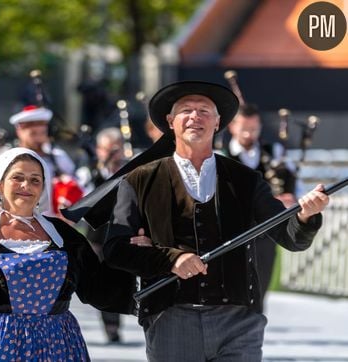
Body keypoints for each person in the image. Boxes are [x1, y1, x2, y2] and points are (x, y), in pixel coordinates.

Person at [103, 81, 329, 361]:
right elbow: (116, 249)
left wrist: (306, 215)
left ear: (218, 122)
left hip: (239, 320)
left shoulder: (246, 179)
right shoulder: (139, 180)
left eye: (204, 110)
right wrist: (169, 259)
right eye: (186, 110)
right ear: (170, 121)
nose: (195, 116)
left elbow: (289, 235)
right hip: (170, 317)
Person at [0, 147, 136, 361]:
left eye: (35, 180)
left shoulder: (63, 235)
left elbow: (98, 287)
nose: (26, 186)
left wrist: (134, 254)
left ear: (42, 189)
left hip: (57, 344)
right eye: (17, 178)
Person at [222, 103, 297, 301]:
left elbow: (291, 186)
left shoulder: (275, 152)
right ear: (232, 127)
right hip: (231, 234)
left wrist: (290, 200)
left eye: (254, 129)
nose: (249, 134)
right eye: (244, 128)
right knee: (231, 292)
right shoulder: (220, 156)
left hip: (267, 233)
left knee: (259, 291)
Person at [76, 127, 127, 343]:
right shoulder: (89, 173)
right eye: (108, 150)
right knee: (103, 280)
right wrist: (101, 169)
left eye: (116, 149)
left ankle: (119, 320)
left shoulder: (131, 171)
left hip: (124, 235)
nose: (113, 154)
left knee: (123, 279)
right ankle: (111, 324)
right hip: (97, 238)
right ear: (99, 150)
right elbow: (81, 198)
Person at [10, 105, 82, 215]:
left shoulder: (58, 157)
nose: (39, 138)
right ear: (19, 131)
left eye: (42, 133)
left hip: (52, 223)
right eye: (33, 133)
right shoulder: (9, 159)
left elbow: (76, 184)